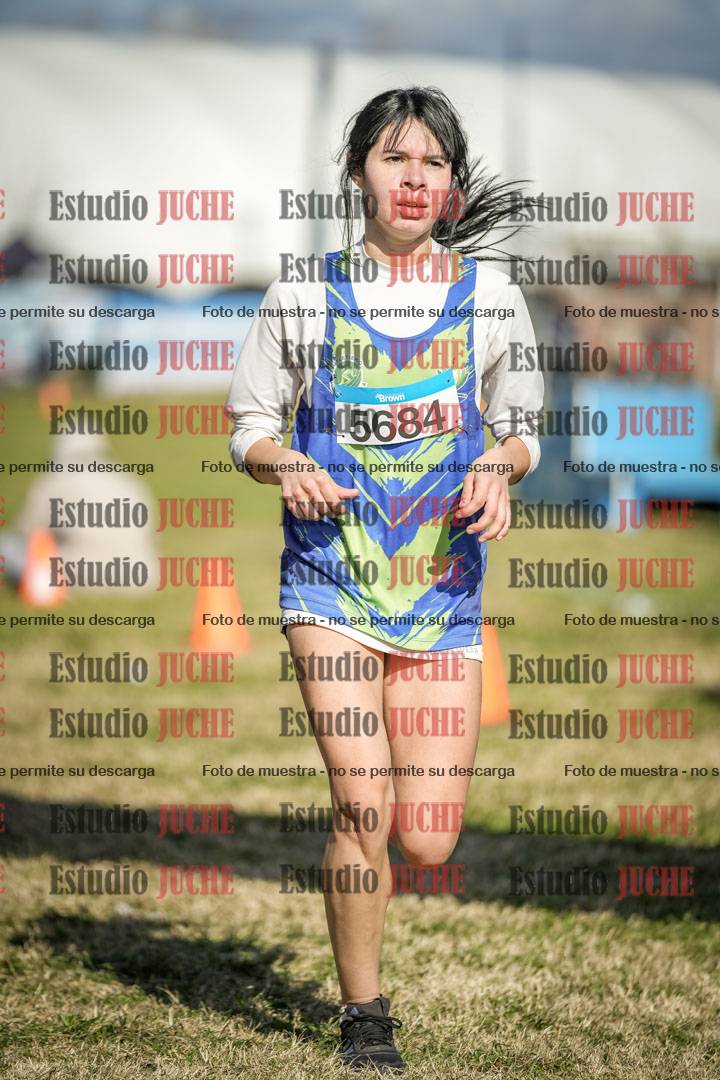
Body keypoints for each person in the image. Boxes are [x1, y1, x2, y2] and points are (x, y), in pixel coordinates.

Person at [225, 86, 543, 1073]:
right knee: (361, 806)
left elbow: (521, 429)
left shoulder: (492, 297)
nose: (413, 178)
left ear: (452, 188)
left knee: (429, 841)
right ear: (358, 172)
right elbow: (249, 427)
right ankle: (365, 1017)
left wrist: (499, 468)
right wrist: (285, 463)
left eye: (432, 163)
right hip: (329, 586)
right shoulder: (301, 295)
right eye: (394, 158)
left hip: (442, 594)